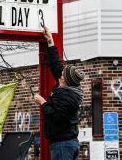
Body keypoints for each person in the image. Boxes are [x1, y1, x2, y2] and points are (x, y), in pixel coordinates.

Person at [34, 27, 84, 160]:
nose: (60, 73)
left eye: (62, 74)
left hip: (63, 145)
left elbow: (55, 114)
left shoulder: (67, 96)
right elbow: (56, 65)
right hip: (66, 144)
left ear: (64, 80)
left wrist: (42, 102)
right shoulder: (68, 86)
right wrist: (50, 42)